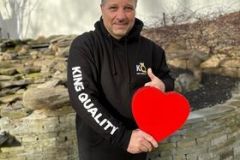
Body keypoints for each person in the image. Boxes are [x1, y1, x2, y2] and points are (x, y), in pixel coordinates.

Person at [67, 0, 174, 159]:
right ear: (102, 9)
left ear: (135, 10)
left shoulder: (152, 50)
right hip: (98, 151)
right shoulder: (85, 46)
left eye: (128, 8)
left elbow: (168, 80)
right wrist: (123, 137)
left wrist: (163, 86)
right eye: (113, 8)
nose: (121, 16)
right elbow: (82, 97)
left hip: (139, 147)